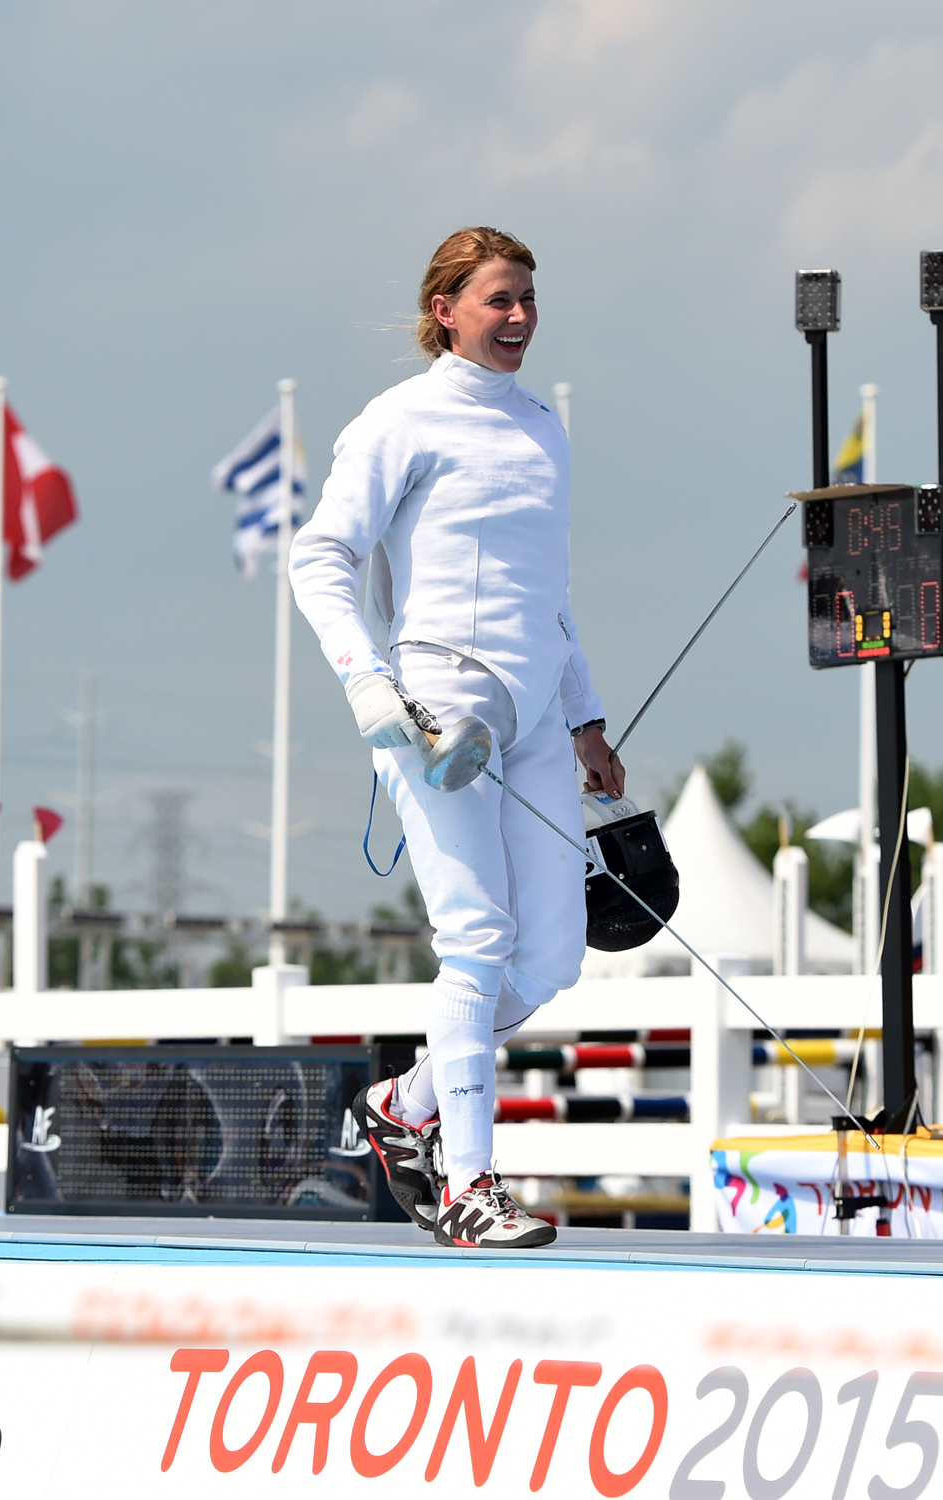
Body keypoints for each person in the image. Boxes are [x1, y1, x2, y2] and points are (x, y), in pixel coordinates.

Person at [291, 227, 623, 1250]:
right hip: (434, 709)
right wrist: (368, 683)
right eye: (498, 300)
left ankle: (403, 1105)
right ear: (447, 307)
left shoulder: (542, 428)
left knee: (557, 957)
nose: (520, 317)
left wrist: (587, 718)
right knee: (477, 940)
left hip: (529, 718)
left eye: (528, 298)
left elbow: (548, 597)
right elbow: (322, 556)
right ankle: (470, 1184)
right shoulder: (399, 421)